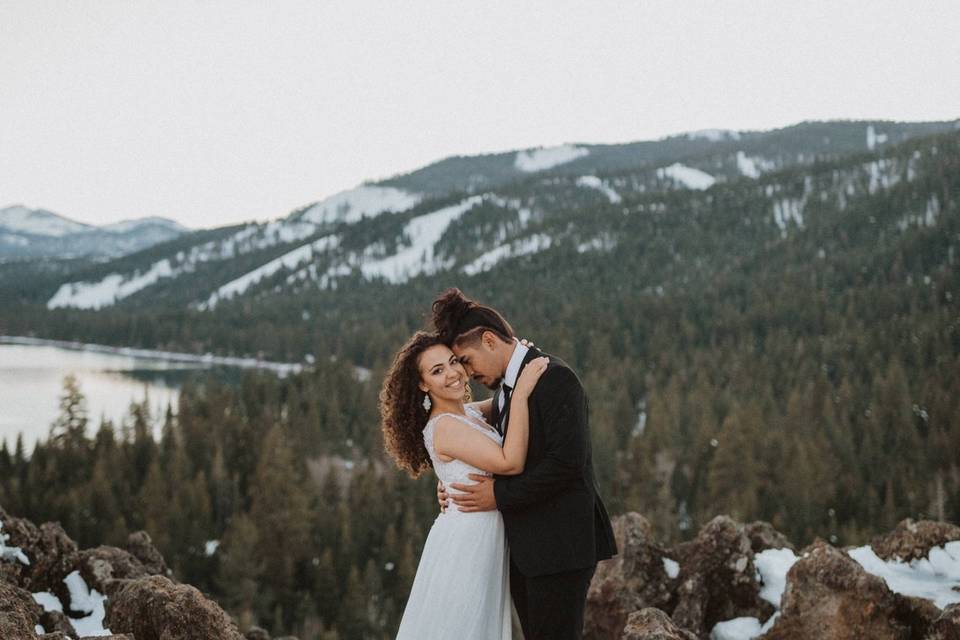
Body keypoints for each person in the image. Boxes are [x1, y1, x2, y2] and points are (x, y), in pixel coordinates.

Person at [432, 288, 617, 640]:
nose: (467, 374)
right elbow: (458, 427)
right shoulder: (508, 387)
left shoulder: (555, 378)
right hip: (527, 549)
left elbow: (567, 465)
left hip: (560, 546)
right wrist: (450, 479)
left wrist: (497, 496)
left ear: (489, 340)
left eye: (466, 361)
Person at [380, 330, 549, 640]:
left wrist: (515, 359)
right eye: (437, 370)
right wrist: (523, 392)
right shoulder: (444, 426)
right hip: (468, 543)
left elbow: (502, 401)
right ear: (422, 385)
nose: (452, 374)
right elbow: (509, 461)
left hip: (484, 535)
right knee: (462, 624)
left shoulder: (467, 414)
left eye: (453, 362)